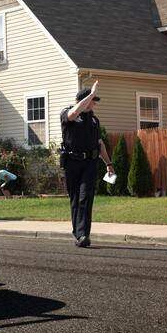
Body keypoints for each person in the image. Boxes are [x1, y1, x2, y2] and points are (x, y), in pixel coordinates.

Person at [59, 82, 114, 248]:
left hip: (90, 163)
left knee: (85, 197)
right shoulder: (68, 113)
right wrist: (90, 94)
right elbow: (75, 111)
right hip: (71, 162)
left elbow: (99, 143)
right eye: (92, 100)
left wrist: (109, 163)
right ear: (83, 100)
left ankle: (83, 235)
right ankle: (78, 233)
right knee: (75, 198)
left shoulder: (94, 120)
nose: (94, 103)